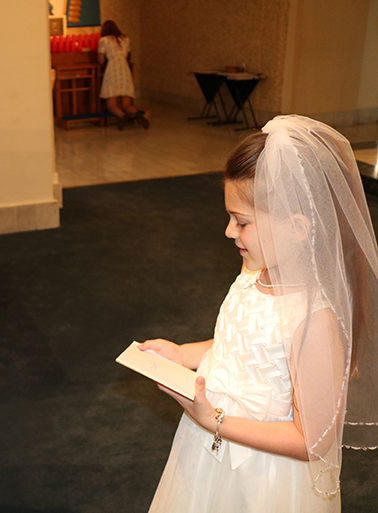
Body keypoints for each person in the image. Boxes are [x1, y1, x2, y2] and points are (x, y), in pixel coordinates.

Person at [139, 115, 378, 512]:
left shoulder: (314, 318)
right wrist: (182, 354)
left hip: (267, 476)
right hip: (211, 443)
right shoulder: (255, 272)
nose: (230, 232)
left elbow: (312, 442)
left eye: (242, 222)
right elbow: (243, 342)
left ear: (298, 228)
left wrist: (215, 420)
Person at [97, 20, 148, 130]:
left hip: (112, 69)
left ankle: (122, 116)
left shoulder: (104, 40)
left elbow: (101, 60)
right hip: (125, 69)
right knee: (127, 104)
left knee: (111, 104)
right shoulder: (125, 39)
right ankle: (138, 115)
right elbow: (128, 55)